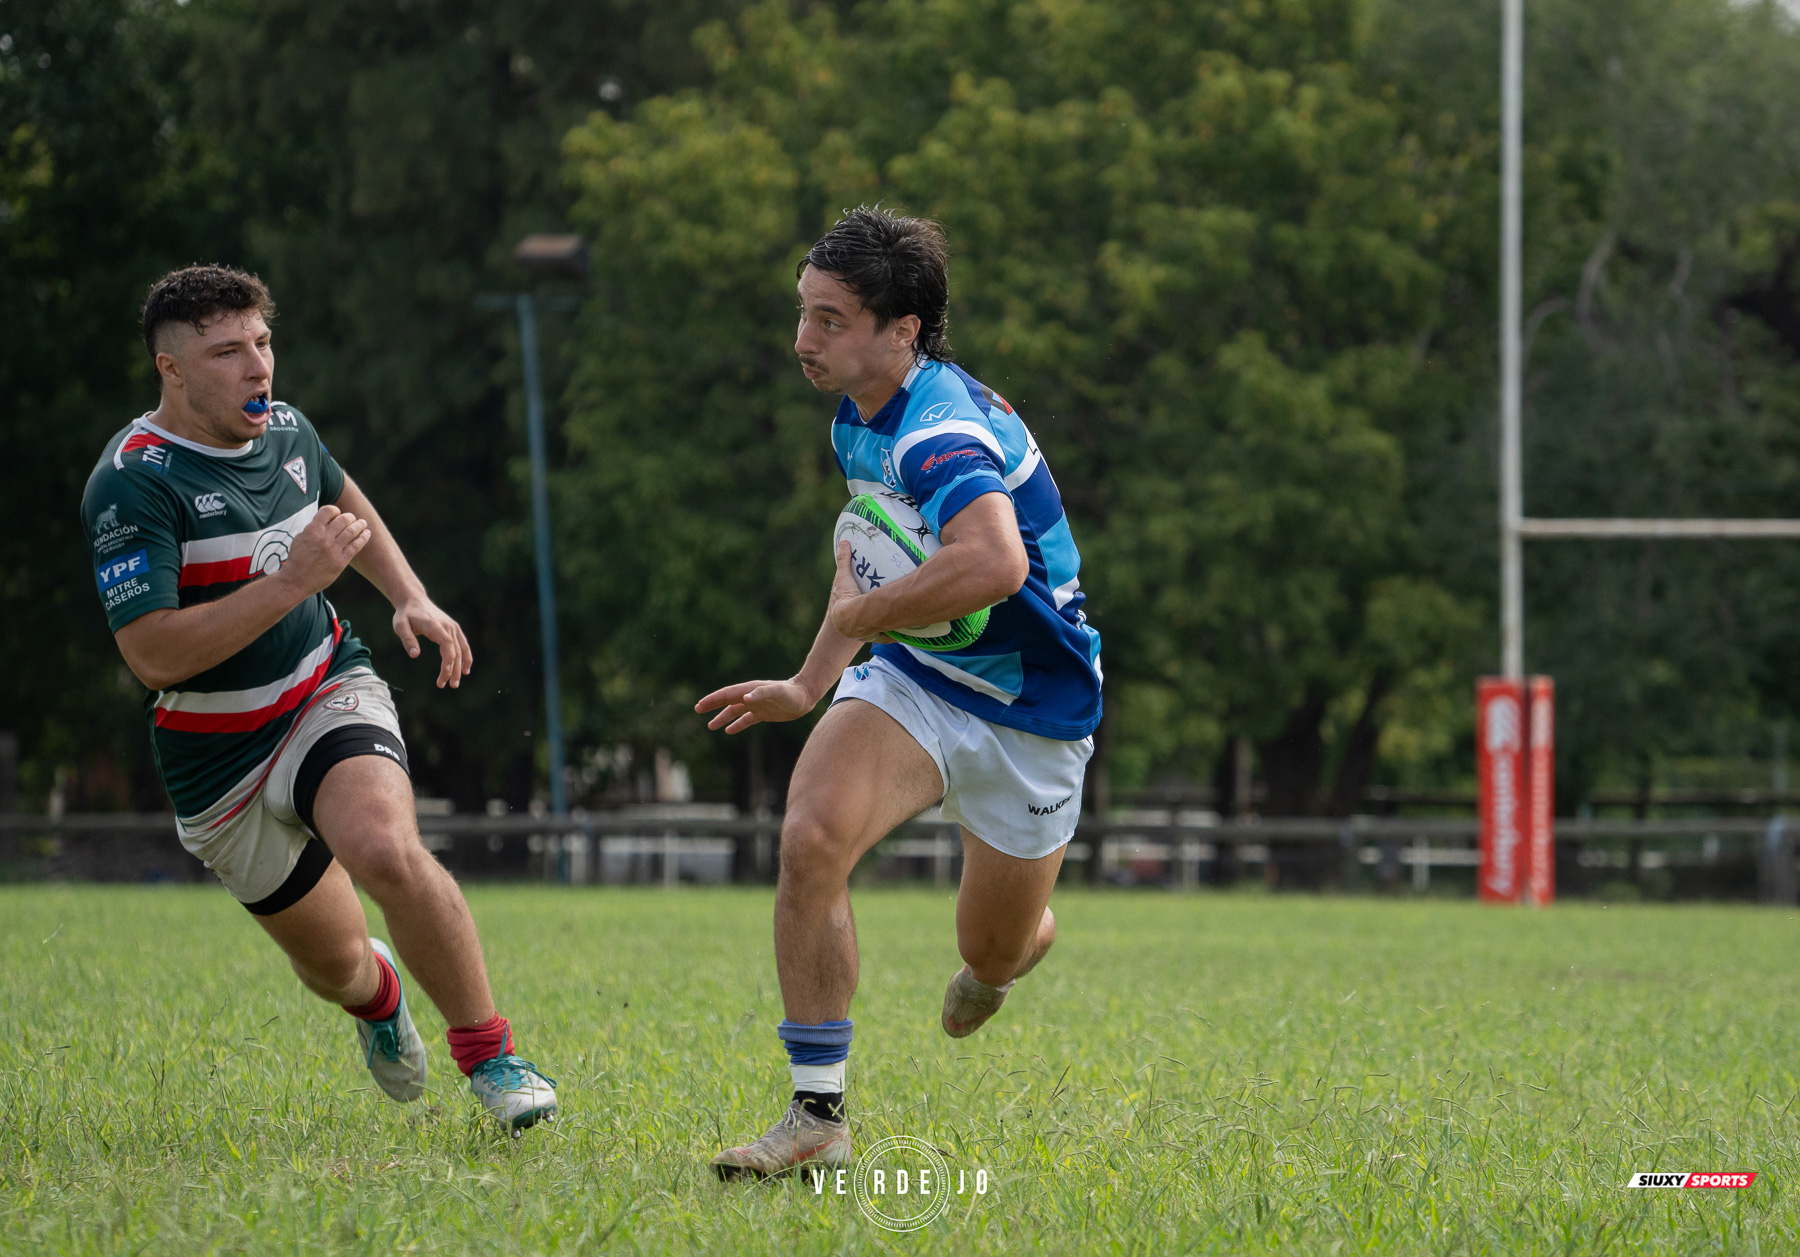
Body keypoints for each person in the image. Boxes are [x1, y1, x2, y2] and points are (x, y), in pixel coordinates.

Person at [81, 265, 557, 1132]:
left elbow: (345, 503)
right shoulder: (132, 482)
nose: (257, 367)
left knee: (385, 847)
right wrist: (289, 580)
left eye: (262, 343)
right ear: (171, 369)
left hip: (322, 684)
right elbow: (151, 655)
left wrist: (408, 592)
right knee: (337, 965)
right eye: (227, 351)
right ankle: (378, 1003)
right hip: (216, 758)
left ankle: (493, 1057)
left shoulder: (289, 431)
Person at [697, 208, 1103, 1178]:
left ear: (902, 331)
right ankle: (817, 1118)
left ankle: (1013, 950)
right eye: (804, 313)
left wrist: (869, 622)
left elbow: (995, 564)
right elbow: (868, 567)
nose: (804, 339)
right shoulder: (857, 418)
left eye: (831, 320)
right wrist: (809, 682)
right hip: (920, 678)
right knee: (810, 839)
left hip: (1031, 718)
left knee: (990, 954)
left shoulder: (938, 433)